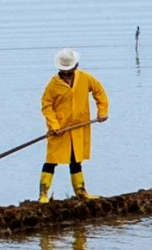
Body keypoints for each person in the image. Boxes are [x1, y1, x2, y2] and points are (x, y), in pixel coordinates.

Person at [40, 47, 109, 202]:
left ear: (75, 66)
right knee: (51, 160)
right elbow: (46, 106)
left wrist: (102, 111)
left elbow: (99, 92)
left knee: (75, 160)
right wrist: (54, 125)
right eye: (63, 71)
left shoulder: (85, 78)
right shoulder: (53, 84)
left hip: (79, 127)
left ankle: (81, 192)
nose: (66, 74)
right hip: (59, 129)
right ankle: (43, 194)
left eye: (69, 71)